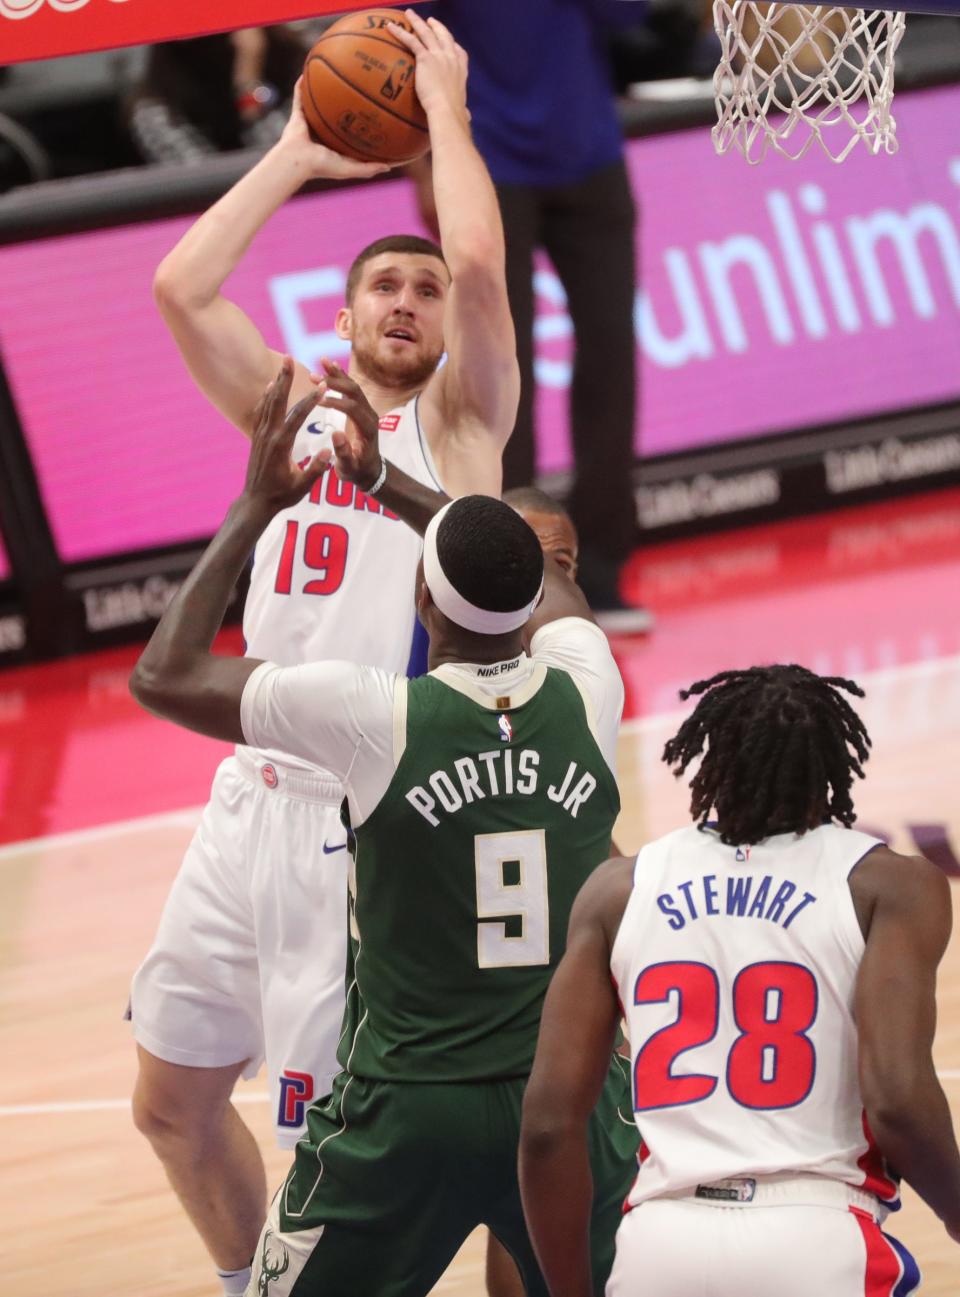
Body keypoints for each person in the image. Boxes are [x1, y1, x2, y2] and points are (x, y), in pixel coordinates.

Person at [128, 13, 519, 1297]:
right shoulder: (290, 412)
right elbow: (181, 287)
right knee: (172, 1103)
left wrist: (445, 114)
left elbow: (476, 265)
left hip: (370, 818)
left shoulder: (459, 428)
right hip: (246, 797)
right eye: (382, 288)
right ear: (344, 314)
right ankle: (259, 1284)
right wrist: (297, 145)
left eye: (420, 293)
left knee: (329, 1142)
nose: (410, 301)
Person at [129, 357, 638, 1297]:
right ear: (541, 601)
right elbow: (551, 599)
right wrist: (399, 483)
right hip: (562, 1102)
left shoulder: (372, 717)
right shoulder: (588, 681)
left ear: (419, 601)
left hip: (410, 1110)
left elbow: (162, 675)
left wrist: (255, 505)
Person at [519, 664, 960, 1297]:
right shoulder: (887, 885)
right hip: (818, 1234)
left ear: (711, 756)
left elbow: (547, 1127)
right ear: (832, 764)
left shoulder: (619, 890)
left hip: (660, 1246)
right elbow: (895, 1101)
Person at [409, 0, 652, 634]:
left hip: (590, 149)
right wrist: (424, 165)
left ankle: (599, 568)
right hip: (488, 162)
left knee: (611, 358)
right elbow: (410, 45)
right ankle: (514, 573)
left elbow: (628, 17)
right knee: (498, 374)